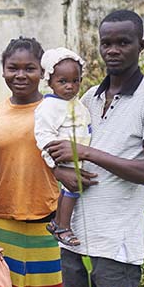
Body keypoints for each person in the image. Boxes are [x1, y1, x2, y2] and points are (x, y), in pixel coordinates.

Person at [45, 10, 144, 287]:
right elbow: (63, 156)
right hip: (75, 241)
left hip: (116, 246)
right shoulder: (87, 98)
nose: (113, 50)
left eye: (123, 42)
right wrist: (61, 172)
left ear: (141, 45)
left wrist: (91, 152)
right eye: (107, 43)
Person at [0, 37, 68, 287]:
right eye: (13, 68)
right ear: (3, 71)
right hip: (1, 220)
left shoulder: (56, 110)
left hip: (49, 222)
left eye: (30, 68)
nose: (21, 75)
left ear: (42, 71)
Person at [35, 47, 92, 246]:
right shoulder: (49, 107)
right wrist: (54, 162)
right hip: (64, 157)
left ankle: (57, 222)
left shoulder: (75, 102)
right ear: (49, 82)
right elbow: (43, 136)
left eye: (75, 81)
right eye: (63, 82)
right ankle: (63, 227)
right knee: (72, 190)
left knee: (67, 190)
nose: (70, 86)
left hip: (79, 156)